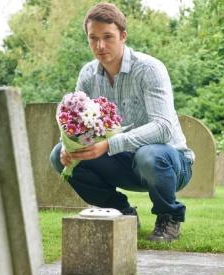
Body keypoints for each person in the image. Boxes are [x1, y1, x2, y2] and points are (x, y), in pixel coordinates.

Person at [50, 2, 194, 242]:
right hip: (121, 162)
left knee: (149, 155)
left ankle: (169, 217)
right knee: (58, 156)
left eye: (108, 37)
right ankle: (121, 213)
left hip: (169, 162)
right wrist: (69, 147)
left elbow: (163, 126)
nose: (100, 45)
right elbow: (77, 125)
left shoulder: (150, 69)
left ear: (123, 36)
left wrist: (109, 144)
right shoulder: (87, 74)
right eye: (93, 38)